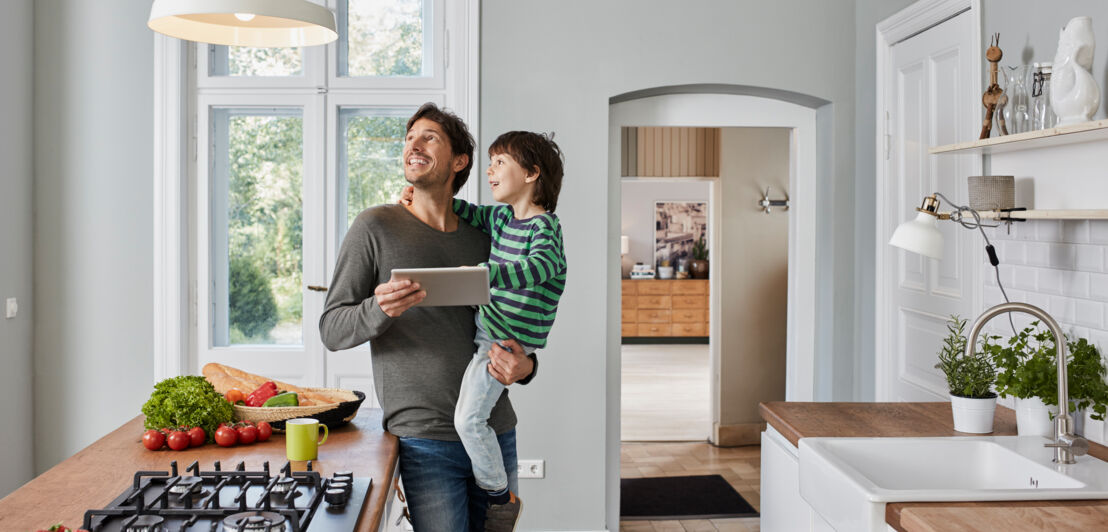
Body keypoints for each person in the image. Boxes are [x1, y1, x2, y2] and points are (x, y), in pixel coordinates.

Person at [319, 103, 538, 531]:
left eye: (429, 136)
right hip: (422, 442)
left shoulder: (488, 235)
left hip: (494, 431)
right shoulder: (374, 227)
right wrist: (378, 308)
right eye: (409, 137)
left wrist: (527, 367)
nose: (413, 145)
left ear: (460, 161)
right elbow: (332, 329)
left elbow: (518, 318)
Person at [402, 131, 567, 530]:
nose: (489, 172)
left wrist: (488, 274)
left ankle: (499, 497)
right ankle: (497, 492)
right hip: (489, 335)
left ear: (531, 174)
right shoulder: (500, 218)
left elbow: (539, 268)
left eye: (499, 163)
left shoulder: (544, 229)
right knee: (471, 419)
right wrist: (417, 199)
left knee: (468, 421)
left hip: (500, 345)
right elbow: (463, 211)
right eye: (490, 163)